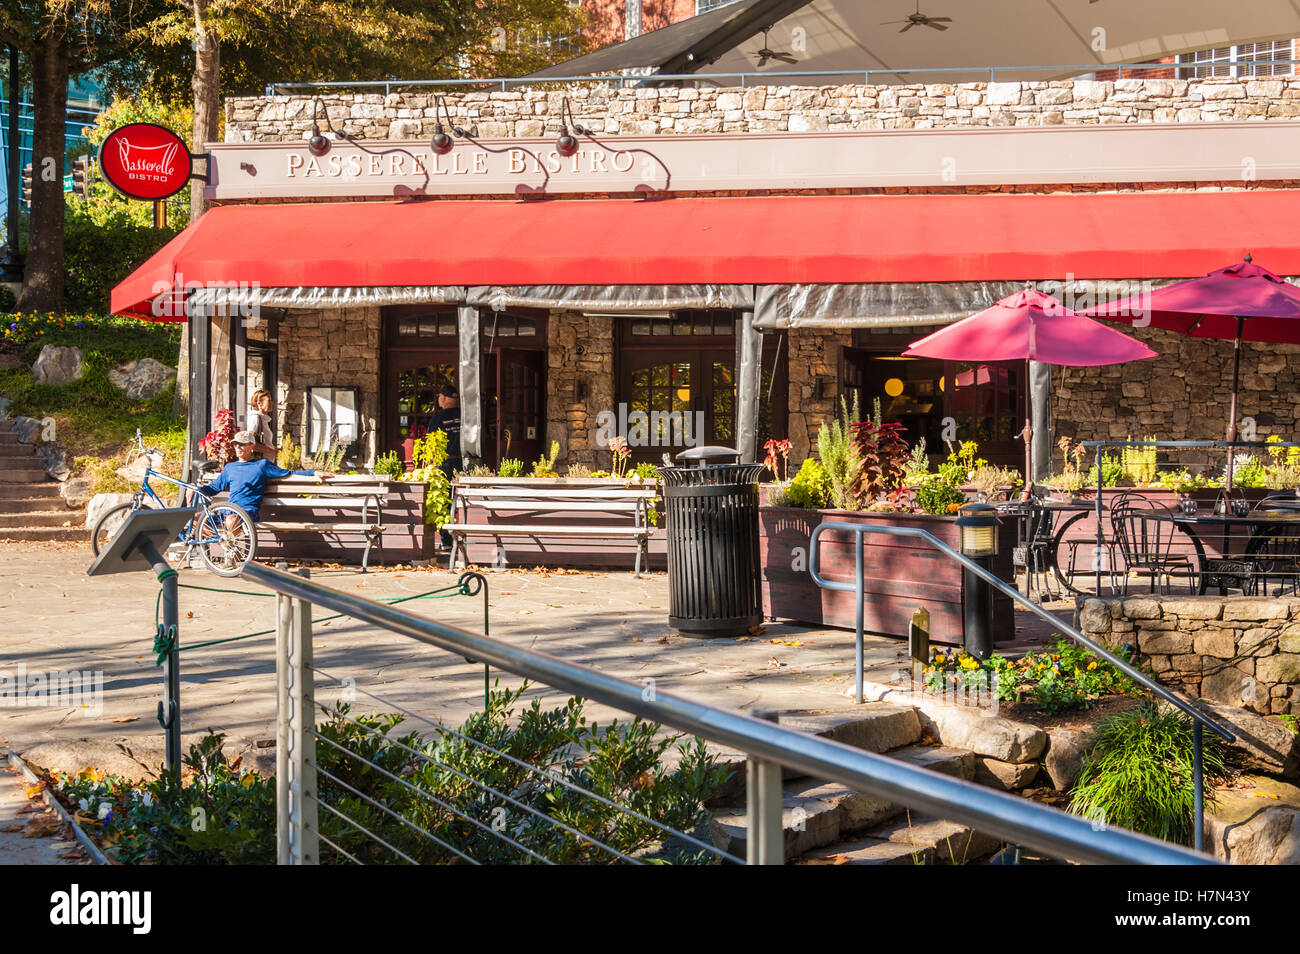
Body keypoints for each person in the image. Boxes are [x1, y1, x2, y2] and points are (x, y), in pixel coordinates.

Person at [197, 430, 334, 530]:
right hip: (228, 508)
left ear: (251, 446)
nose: (238, 447)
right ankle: (222, 542)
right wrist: (195, 489)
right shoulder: (230, 467)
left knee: (231, 521)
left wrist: (313, 472)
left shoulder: (262, 465)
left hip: (247, 510)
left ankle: (230, 552)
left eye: (242, 444)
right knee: (197, 518)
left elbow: (289, 472)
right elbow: (214, 488)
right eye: (235, 444)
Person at [424, 383, 462, 478]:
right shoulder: (464, 416)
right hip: (464, 462)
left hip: (445, 463)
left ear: (442, 398)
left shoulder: (438, 418)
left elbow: (430, 442)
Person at [246, 389, 277, 460]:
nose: (272, 403)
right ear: (259, 403)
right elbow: (249, 442)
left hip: (265, 462)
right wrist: (271, 451)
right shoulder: (255, 418)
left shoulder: (262, 419)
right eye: (269, 401)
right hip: (260, 463)